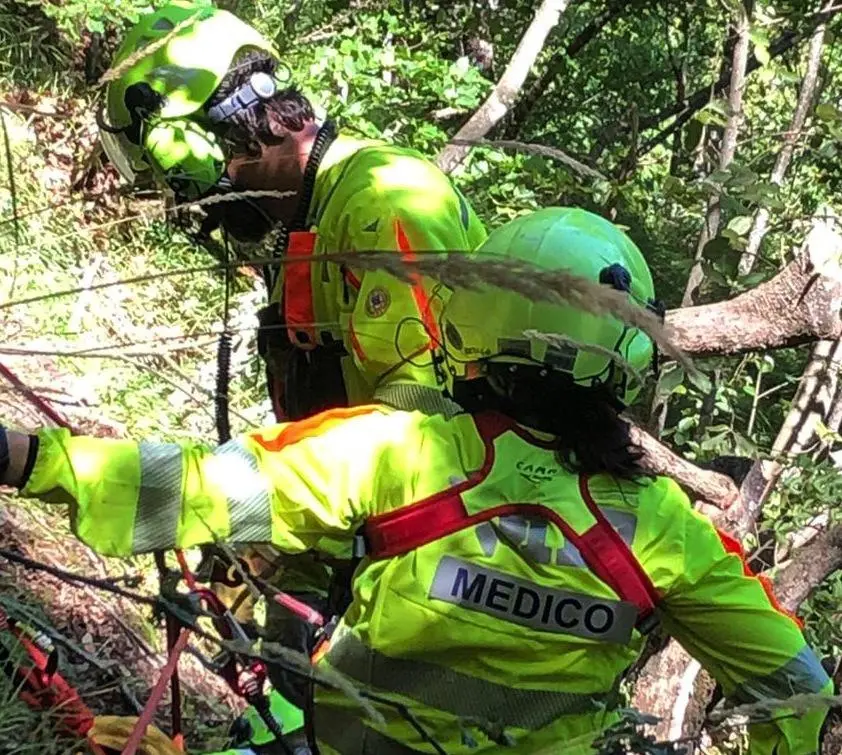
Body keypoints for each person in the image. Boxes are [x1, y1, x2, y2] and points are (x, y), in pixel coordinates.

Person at [3, 207, 830, 754]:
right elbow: (797, 689)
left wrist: (25, 457)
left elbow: (193, 490)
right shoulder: (667, 532)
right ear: (632, 357)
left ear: (473, 315)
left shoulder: (394, 454)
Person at [99, 0, 488, 736]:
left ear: (188, 141)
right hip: (373, 548)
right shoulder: (304, 223)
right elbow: (325, 424)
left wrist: (260, 519)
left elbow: (419, 434)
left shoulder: (383, 200)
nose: (183, 198)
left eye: (166, 169)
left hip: (448, 573)